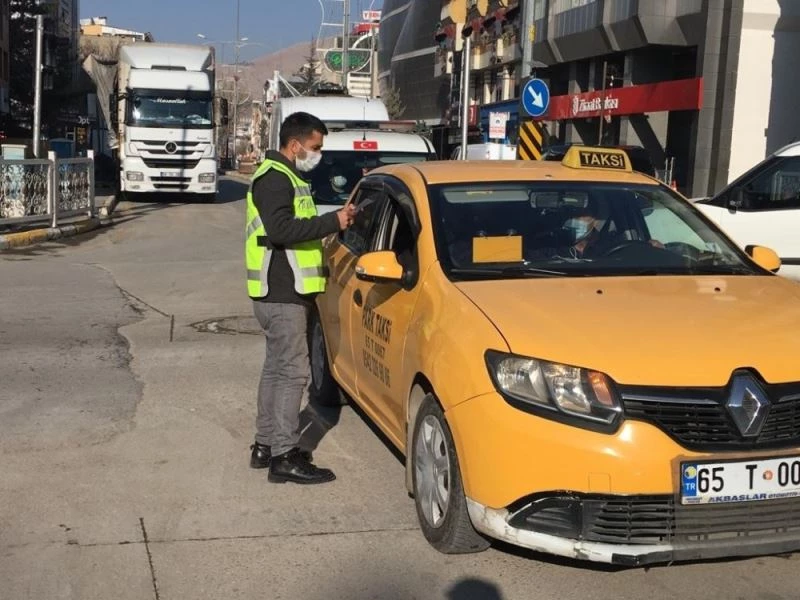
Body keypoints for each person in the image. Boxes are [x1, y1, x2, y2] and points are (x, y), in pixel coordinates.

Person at [245, 111, 357, 485]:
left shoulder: (287, 176)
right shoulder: (275, 178)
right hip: (283, 292)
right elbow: (280, 230)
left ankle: (265, 446)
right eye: (315, 147)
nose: (317, 154)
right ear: (295, 145)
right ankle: (284, 455)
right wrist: (333, 222)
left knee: (276, 369)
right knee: (293, 372)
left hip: (282, 290)